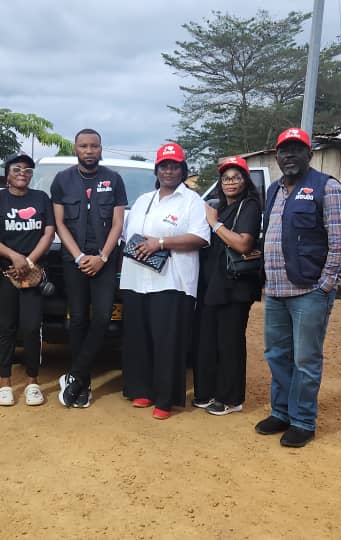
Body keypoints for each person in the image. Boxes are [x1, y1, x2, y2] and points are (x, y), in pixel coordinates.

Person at [256, 127, 341, 447]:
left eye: (297, 150)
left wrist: (326, 285)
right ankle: (282, 412)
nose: (290, 156)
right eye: (284, 151)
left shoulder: (327, 187)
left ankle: (303, 420)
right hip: (275, 292)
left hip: (309, 291)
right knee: (277, 355)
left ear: (309, 155)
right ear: (277, 156)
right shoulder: (273, 190)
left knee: (305, 360)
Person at [120, 142, 209, 420]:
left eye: (175, 166)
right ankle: (141, 389)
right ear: (157, 170)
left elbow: (200, 237)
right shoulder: (144, 199)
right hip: (137, 279)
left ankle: (165, 398)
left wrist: (160, 243)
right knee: (139, 338)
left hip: (172, 282)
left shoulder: (191, 201)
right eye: (164, 166)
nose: (169, 171)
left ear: (183, 170)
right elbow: (126, 233)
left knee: (167, 341)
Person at [50, 129, 128, 408]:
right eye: (84, 146)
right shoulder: (62, 181)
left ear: (101, 149)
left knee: (103, 317)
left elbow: (118, 223)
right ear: (75, 149)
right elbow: (59, 223)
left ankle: (76, 375)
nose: (89, 150)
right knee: (79, 319)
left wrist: (103, 257)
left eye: (94, 146)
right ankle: (83, 385)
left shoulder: (114, 179)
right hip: (74, 262)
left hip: (105, 261)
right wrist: (80, 256)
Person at [193, 155, 262, 416]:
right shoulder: (219, 207)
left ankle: (231, 399)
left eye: (236, 177)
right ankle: (208, 392)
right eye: (225, 178)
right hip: (213, 284)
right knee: (207, 340)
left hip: (236, 286)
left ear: (245, 180)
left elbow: (243, 244)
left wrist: (214, 222)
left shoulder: (250, 206)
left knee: (229, 342)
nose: (230, 182)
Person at [0, 153, 55, 407]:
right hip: (4, 274)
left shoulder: (41, 199)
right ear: (7, 174)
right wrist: (14, 258)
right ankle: (5, 383)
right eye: (17, 168)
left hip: (32, 274)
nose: (23, 173)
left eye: (27, 169)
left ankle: (32, 382)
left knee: (32, 327)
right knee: (6, 328)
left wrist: (28, 262)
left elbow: (48, 232)